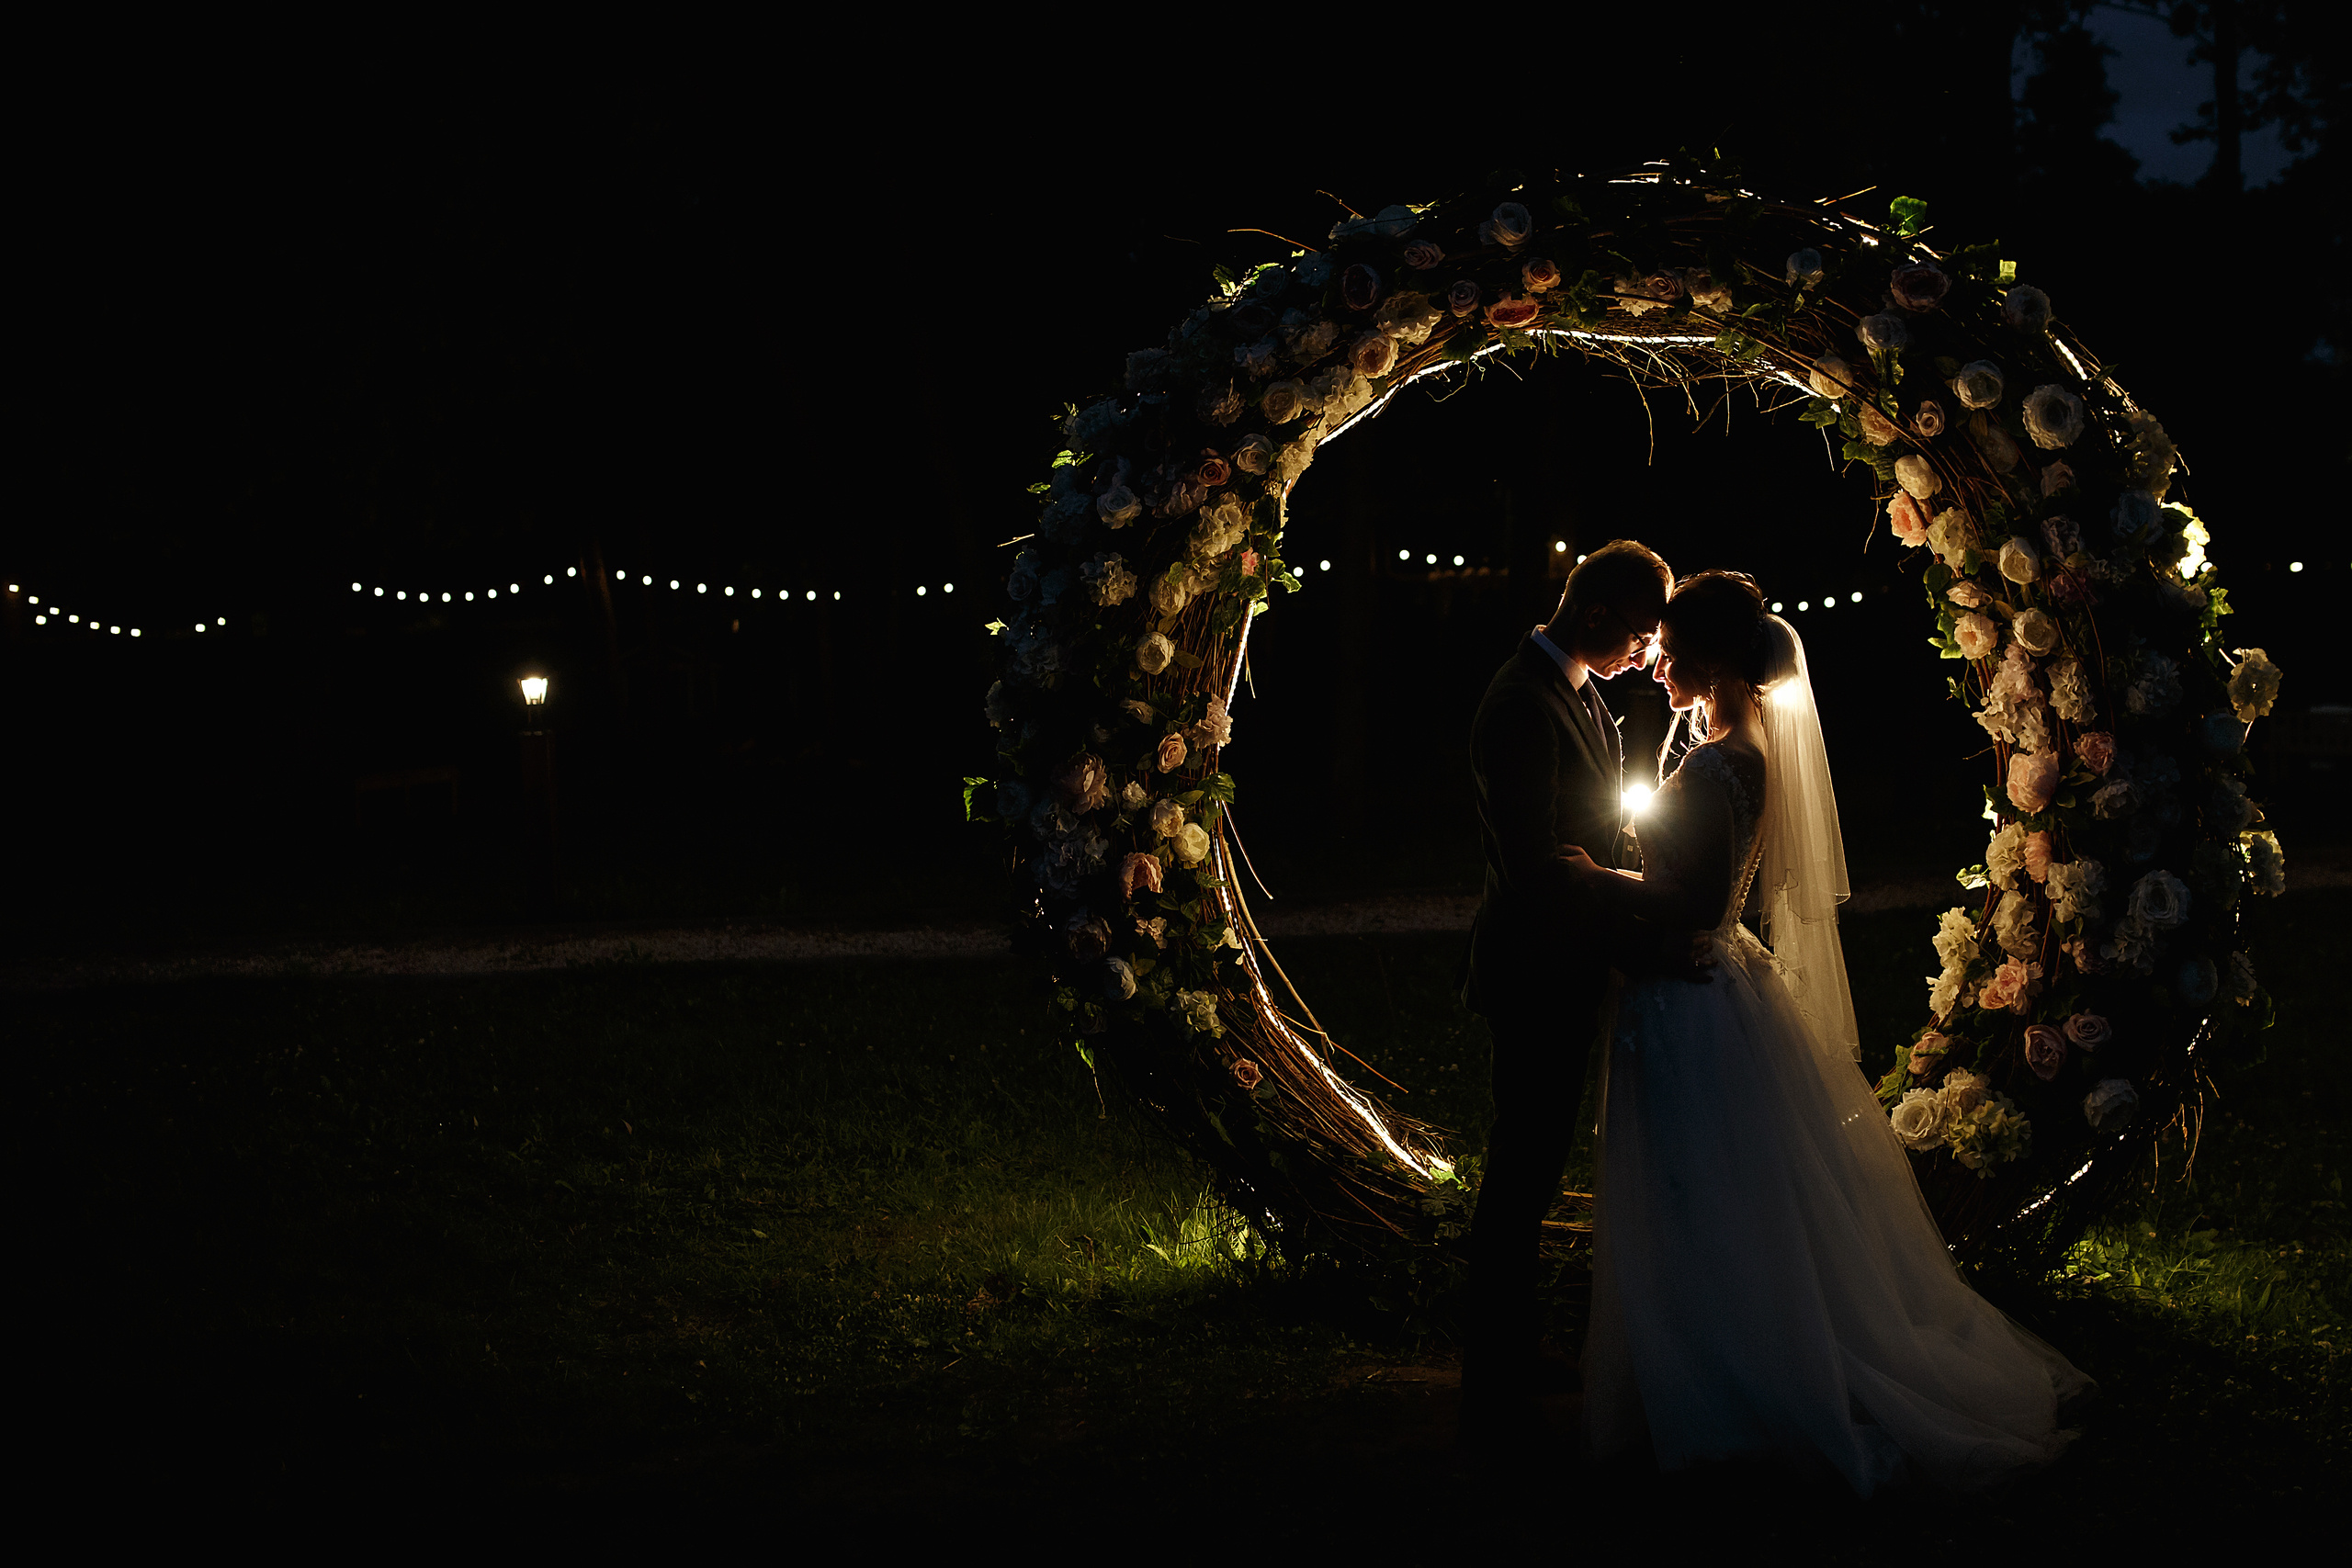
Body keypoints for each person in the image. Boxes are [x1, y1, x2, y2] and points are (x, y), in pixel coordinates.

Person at [1560, 570, 2088, 1494]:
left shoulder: (1726, 758)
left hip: (1691, 994)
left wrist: (1594, 878)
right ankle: (1703, 1365)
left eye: (1673, 655)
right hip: (1710, 985)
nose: (1659, 670)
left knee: (1702, 1193)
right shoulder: (1734, 743)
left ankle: (1734, 1381)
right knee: (1714, 1192)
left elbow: (1690, 900)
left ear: (1715, 660)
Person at [1456, 538, 1676, 1443]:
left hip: (1570, 963)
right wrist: (1628, 906)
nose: (1644, 656)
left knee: (1538, 1160)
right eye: (1636, 635)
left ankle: (1513, 1342)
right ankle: (1493, 1358)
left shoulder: (1580, 690)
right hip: (1535, 969)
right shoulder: (1519, 704)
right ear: (1591, 616)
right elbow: (1531, 862)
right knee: (1522, 1166)